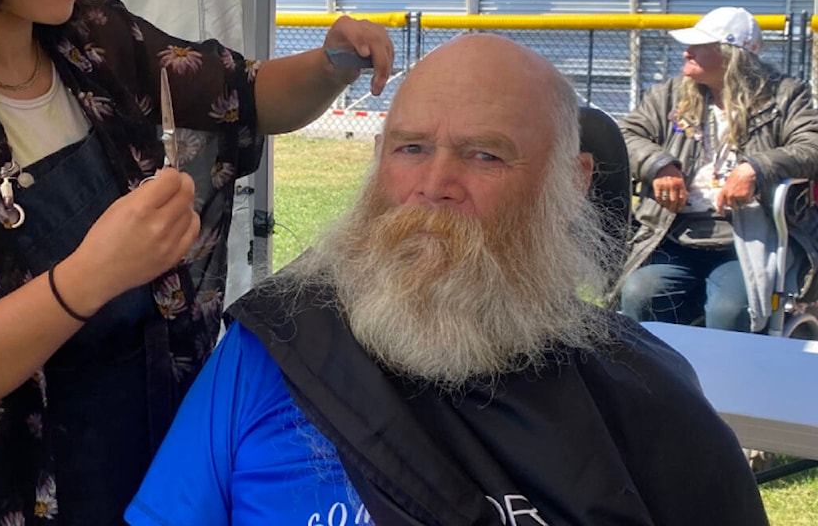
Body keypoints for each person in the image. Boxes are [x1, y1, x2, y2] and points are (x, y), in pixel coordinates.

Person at [0, 0, 394, 523]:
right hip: (12, 483)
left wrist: (332, 64)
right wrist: (90, 277)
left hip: (146, 443)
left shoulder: (98, 43)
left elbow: (247, 95)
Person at [126, 34, 768, 526]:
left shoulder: (643, 401)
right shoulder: (277, 348)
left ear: (570, 183)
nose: (434, 187)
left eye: (484, 154)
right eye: (409, 149)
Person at [617, 6, 818, 331]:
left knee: (730, 310)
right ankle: (654, 379)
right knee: (641, 293)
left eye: (698, 45)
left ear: (730, 55)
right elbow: (626, 134)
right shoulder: (668, 96)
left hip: (752, 235)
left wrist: (755, 168)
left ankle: (725, 380)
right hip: (675, 233)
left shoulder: (784, 96)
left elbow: (812, 145)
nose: (686, 52)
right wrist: (660, 165)